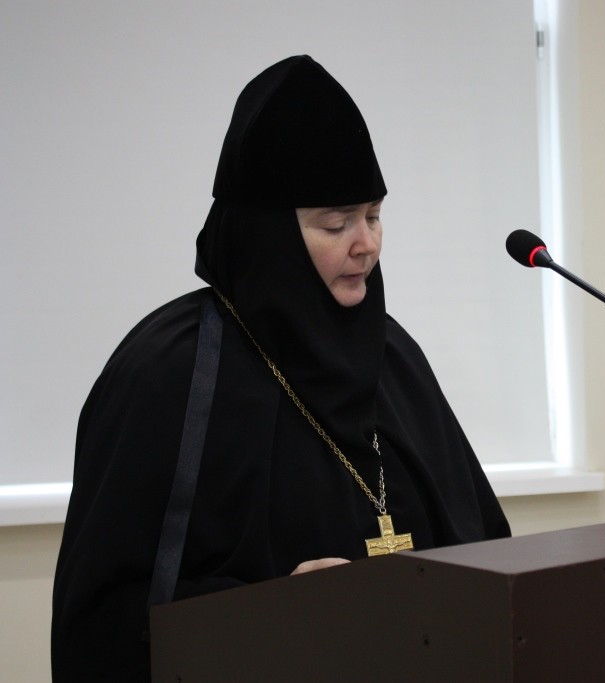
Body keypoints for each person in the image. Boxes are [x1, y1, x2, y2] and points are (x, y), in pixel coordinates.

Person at [51, 55, 510, 681]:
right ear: (267, 234)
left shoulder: (394, 356)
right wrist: (271, 609)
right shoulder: (168, 373)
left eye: (373, 215)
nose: (367, 244)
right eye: (336, 223)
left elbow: (488, 551)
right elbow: (101, 625)